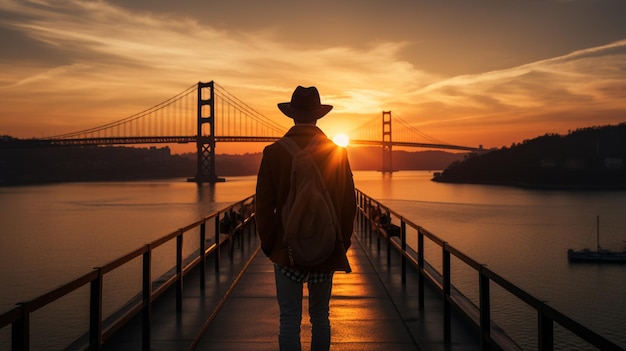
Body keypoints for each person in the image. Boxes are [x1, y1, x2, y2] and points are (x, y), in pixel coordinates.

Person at [255, 85, 357, 351]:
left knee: (288, 319)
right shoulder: (336, 151)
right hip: (326, 247)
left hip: (285, 249)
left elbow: (263, 207)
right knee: (321, 318)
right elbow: (348, 203)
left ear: (291, 115)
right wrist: (340, 242)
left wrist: (271, 246)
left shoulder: (273, 152)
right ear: (318, 116)